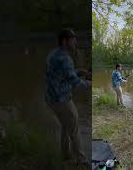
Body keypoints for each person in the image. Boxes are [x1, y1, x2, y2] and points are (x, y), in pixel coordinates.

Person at [45, 28, 90, 165]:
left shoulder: (53, 54)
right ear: (65, 41)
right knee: (75, 129)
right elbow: (75, 83)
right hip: (62, 101)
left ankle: (66, 156)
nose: (75, 41)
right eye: (73, 39)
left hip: (51, 99)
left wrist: (78, 71)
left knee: (66, 127)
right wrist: (89, 83)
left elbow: (62, 75)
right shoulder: (65, 58)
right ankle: (81, 160)